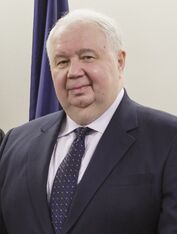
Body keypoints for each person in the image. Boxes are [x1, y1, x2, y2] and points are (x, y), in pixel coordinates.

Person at [0, 9, 177, 234]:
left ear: (120, 61)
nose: (74, 72)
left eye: (87, 57)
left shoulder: (169, 139)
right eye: (62, 61)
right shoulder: (14, 143)